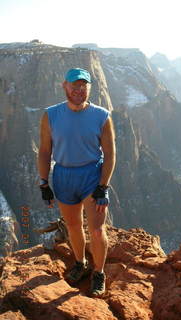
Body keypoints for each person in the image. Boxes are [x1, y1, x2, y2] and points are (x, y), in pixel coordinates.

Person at [37, 68, 116, 297]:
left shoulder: (101, 116)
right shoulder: (50, 115)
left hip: (91, 176)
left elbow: (110, 154)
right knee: (72, 226)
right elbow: (44, 151)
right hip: (63, 176)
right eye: (75, 85)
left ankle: (99, 272)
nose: (79, 90)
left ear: (89, 87)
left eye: (84, 85)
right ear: (65, 86)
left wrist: (103, 187)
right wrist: (44, 183)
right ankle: (80, 263)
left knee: (97, 229)